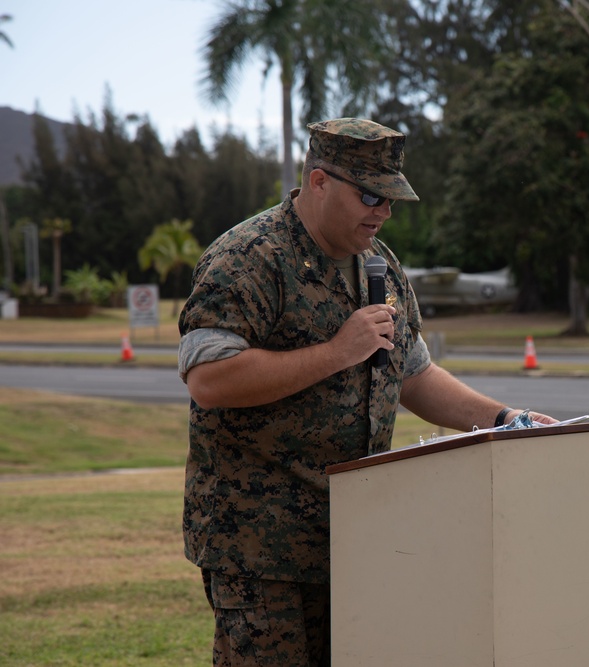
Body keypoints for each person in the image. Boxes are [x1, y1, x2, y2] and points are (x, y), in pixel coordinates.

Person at [176, 117, 556, 667]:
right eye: (370, 195)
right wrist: (336, 352)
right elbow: (209, 381)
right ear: (319, 181)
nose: (382, 212)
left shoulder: (380, 265)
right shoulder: (248, 258)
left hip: (355, 536)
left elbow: (415, 375)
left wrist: (502, 418)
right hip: (259, 545)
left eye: (391, 199)